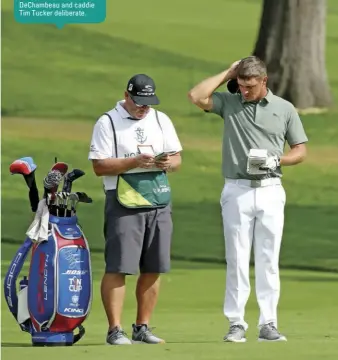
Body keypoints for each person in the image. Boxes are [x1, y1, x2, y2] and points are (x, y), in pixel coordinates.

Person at [187, 56, 308, 343]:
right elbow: (196, 96)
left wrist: (279, 159)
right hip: (237, 189)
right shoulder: (229, 104)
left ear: (264, 81)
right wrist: (228, 72)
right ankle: (236, 323)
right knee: (237, 258)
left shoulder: (284, 108)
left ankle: (269, 323)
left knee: (268, 259)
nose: (244, 91)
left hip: (270, 189)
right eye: (240, 85)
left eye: (250, 86)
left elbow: (300, 150)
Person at [88, 73, 183, 345]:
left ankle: (143, 327)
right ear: (127, 95)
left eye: (148, 102)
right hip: (123, 199)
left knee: (154, 265)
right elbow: (99, 166)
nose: (144, 107)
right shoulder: (107, 122)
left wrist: (168, 164)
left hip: (158, 198)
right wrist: (133, 162)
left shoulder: (160, 119)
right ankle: (114, 329)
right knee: (119, 265)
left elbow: (177, 158)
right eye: (139, 101)